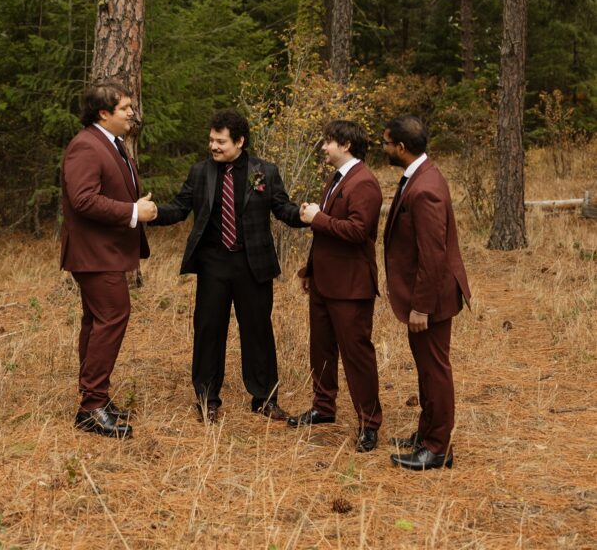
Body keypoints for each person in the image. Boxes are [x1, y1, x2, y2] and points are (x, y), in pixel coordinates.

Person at [150, 109, 306, 423]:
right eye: (211, 140)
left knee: (258, 331)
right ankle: (207, 399)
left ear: (240, 141)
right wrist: (152, 213)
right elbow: (180, 208)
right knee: (208, 330)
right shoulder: (200, 172)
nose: (214, 146)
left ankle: (264, 399)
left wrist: (303, 215)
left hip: (254, 265)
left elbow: (282, 208)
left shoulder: (264, 171)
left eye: (220, 141)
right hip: (213, 265)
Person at [60, 78, 157, 439]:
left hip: (105, 252)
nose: (132, 113)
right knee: (113, 316)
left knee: (97, 320)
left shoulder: (113, 145)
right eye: (125, 108)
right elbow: (83, 199)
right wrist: (133, 210)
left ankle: (94, 396)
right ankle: (91, 407)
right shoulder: (86, 146)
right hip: (94, 254)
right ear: (104, 113)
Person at [287, 120, 383, 452]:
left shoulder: (365, 183)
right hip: (325, 284)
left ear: (346, 145)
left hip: (352, 286)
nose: (324, 147)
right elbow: (326, 234)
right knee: (321, 349)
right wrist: (309, 270)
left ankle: (369, 423)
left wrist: (318, 218)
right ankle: (323, 408)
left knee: (357, 355)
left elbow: (358, 232)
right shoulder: (338, 178)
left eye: (328, 142)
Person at [382, 115, 471, 470]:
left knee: (435, 370)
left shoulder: (425, 188)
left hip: (431, 298)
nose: (384, 147)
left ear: (401, 148)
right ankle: (426, 433)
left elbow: (433, 256)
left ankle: (437, 448)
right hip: (425, 295)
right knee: (426, 368)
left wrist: (421, 307)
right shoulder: (420, 175)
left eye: (387, 143)